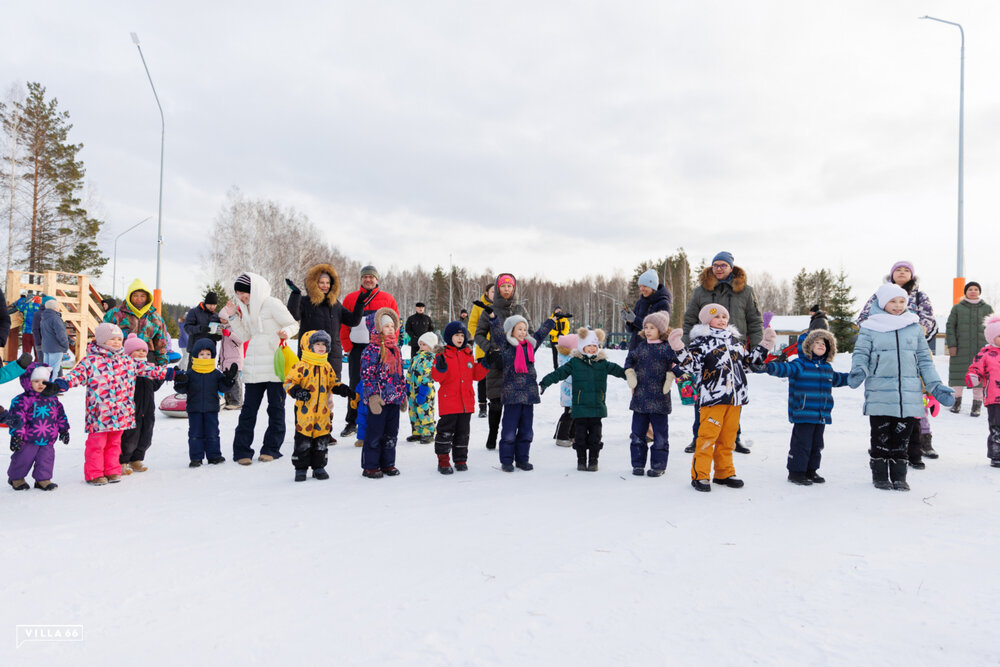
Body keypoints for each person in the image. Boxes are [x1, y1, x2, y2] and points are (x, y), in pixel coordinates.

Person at [848, 284, 954, 491]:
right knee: (880, 437)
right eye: (893, 301)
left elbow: (924, 360)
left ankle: (899, 477)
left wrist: (935, 385)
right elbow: (861, 353)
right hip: (880, 391)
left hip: (909, 393)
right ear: (882, 302)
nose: (898, 306)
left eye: (901, 301)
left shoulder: (913, 327)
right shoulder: (871, 326)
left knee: (901, 439)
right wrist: (859, 369)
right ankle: (880, 475)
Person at [55, 323, 181, 485]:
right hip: (100, 412)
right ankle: (94, 473)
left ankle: (112, 470)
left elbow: (149, 369)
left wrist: (171, 373)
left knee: (115, 444)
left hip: (121, 412)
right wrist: (61, 383)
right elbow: (76, 375)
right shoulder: (92, 361)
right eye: (111, 339)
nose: (116, 342)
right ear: (101, 340)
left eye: (118, 339)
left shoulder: (127, 361)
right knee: (97, 444)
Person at [669, 304, 775, 492]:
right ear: (706, 319)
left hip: (735, 399)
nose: (722, 319)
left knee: (728, 439)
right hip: (713, 398)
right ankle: (700, 475)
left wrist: (765, 345)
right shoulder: (701, 342)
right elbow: (690, 366)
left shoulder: (735, 342)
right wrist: (678, 347)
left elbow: (749, 364)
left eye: (724, 316)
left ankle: (724, 472)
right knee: (708, 437)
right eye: (716, 316)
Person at [857, 261, 939, 469]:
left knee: (916, 398)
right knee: (887, 400)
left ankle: (920, 442)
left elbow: (929, 319)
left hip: (911, 349)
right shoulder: (879, 295)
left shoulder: (919, 296)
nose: (902, 273)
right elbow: (864, 319)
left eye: (906, 270)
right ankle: (884, 444)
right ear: (892, 274)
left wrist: (914, 329)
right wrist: (880, 328)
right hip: (885, 354)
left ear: (912, 275)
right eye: (898, 270)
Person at [682, 252, 763, 455]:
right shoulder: (701, 291)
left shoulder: (745, 291)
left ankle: (733, 438)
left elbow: (755, 322)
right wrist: (685, 348)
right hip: (707, 351)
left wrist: (755, 351)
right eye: (715, 265)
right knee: (705, 394)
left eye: (723, 265)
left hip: (735, 351)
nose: (719, 268)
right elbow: (690, 319)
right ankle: (698, 436)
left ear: (731, 267)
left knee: (734, 393)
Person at [226, 273, 299, 465]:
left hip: (275, 366)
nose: (241, 297)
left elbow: (293, 324)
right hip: (254, 367)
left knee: (276, 409)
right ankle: (242, 451)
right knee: (249, 410)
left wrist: (287, 332)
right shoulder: (247, 308)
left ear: (254, 289)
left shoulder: (272, 303)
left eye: (244, 292)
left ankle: (271, 449)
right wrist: (233, 316)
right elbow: (244, 335)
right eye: (239, 294)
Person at [764, 329, 850, 485]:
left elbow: (837, 379)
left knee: (817, 444)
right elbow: (785, 369)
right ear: (807, 346)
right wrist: (769, 367)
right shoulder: (800, 365)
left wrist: (852, 378)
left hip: (821, 414)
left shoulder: (827, 368)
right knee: (801, 444)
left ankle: (811, 470)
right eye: (816, 342)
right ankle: (796, 472)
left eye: (824, 343)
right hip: (803, 412)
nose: (820, 345)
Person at [540, 327, 627, 472]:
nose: (592, 348)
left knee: (595, 437)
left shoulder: (603, 363)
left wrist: (632, 376)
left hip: (597, 406)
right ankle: (581, 461)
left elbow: (620, 372)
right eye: (589, 345)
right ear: (582, 347)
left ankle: (593, 461)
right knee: (580, 437)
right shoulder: (575, 363)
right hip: (580, 408)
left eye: (595, 345)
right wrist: (544, 383)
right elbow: (559, 373)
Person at [485, 305, 556, 472]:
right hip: (512, 396)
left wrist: (552, 320)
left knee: (526, 431)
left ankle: (523, 460)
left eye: (524, 329)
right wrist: (493, 317)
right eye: (519, 329)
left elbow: (540, 333)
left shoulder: (530, 346)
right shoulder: (507, 346)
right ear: (511, 331)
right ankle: (507, 461)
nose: (523, 332)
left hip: (529, 396)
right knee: (509, 431)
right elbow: (497, 333)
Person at [283, 330, 358, 482]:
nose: (321, 347)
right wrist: (297, 392)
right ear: (308, 346)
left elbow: (332, 382)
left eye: (324, 344)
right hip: (305, 411)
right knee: (303, 440)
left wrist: (342, 388)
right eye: (317, 344)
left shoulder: (326, 366)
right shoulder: (301, 366)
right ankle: (301, 468)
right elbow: (288, 383)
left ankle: (319, 466)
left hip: (323, 412)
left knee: (321, 440)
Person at [339, 265, 398, 437]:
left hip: (380, 348)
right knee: (355, 385)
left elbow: (395, 322)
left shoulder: (387, 298)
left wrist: (389, 344)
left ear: (377, 279)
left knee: (380, 383)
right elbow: (344, 325)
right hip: (357, 349)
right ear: (361, 279)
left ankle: (379, 418)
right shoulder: (351, 298)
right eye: (365, 277)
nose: (368, 279)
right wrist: (348, 347)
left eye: (372, 277)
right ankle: (352, 421)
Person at [474, 274, 531, 450]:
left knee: (514, 404)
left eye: (510, 287)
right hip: (497, 362)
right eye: (503, 286)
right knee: (496, 402)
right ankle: (493, 434)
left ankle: (509, 437)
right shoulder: (489, 310)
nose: (507, 289)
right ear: (498, 289)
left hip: (517, 363)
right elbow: (479, 334)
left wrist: (525, 348)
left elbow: (530, 331)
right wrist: (491, 349)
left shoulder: (520, 309)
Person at [623, 311, 680, 477]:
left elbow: (681, 363)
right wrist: (629, 372)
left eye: (652, 328)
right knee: (637, 435)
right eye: (646, 327)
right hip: (640, 400)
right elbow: (629, 360)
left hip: (659, 401)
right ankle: (638, 464)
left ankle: (658, 465)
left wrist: (672, 374)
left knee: (660, 436)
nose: (648, 330)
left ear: (661, 330)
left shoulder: (667, 349)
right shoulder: (641, 347)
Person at [286, 263, 364, 383]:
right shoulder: (306, 302)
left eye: (328, 283)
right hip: (310, 358)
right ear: (314, 283)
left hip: (332, 357)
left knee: (328, 398)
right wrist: (296, 295)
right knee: (309, 395)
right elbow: (293, 316)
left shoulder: (335, 305)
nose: (325, 286)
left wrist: (359, 303)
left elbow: (353, 321)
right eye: (321, 282)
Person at [431, 321, 489, 474]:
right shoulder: (442, 355)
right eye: (456, 335)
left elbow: (475, 375)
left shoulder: (468, 355)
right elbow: (436, 377)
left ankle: (460, 459)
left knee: (463, 433)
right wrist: (440, 368)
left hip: (466, 403)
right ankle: (443, 461)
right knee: (445, 433)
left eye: (462, 335)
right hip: (449, 402)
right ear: (449, 337)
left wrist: (485, 365)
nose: (460, 338)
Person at [174, 337, 237, 468]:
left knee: (212, 433)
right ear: (196, 355)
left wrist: (228, 380)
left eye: (208, 354)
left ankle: (214, 456)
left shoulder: (215, 373)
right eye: (202, 354)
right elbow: (182, 389)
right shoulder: (190, 373)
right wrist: (179, 380)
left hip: (211, 409)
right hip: (194, 409)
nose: (205, 357)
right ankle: (196, 458)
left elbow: (223, 388)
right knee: (195, 434)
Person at [6, 363, 68, 491]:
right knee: (23, 459)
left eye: (44, 381)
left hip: (48, 438)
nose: (40, 384)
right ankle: (16, 478)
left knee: (46, 460)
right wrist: (17, 435)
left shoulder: (53, 400)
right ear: (27, 382)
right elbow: (17, 419)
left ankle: (43, 480)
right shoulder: (22, 400)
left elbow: (60, 415)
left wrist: (64, 430)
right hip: (27, 439)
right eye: (36, 381)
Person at [360, 308, 407, 478]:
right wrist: (372, 396)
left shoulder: (396, 350)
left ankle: (388, 463)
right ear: (377, 327)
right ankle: (370, 465)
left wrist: (402, 395)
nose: (389, 329)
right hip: (378, 400)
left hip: (394, 399)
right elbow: (367, 375)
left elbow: (399, 374)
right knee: (375, 433)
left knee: (391, 434)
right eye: (385, 325)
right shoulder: (371, 350)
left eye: (392, 326)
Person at [119, 334, 165, 474]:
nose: (141, 353)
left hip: (148, 408)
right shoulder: (126, 368)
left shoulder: (150, 367)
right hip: (132, 408)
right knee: (130, 435)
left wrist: (160, 377)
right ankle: (123, 461)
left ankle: (137, 459)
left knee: (146, 433)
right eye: (137, 350)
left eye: (144, 350)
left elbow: (154, 386)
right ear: (128, 352)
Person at [946, 282, 993, 417]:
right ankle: (956, 402)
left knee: (979, 376)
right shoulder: (957, 308)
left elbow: (993, 328)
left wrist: (991, 347)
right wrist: (952, 345)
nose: (973, 291)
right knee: (958, 376)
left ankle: (976, 405)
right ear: (965, 292)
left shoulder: (987, 308)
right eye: (970, 289)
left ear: (979, 292)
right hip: (961, 349)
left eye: (976, 289)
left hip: (981, 350)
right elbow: (950, 327)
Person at [104, 279, 170, 366]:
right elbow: (104, 336)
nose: (139, 299)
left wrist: (162, 365)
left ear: (147, 297)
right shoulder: (115, 313)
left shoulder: (155, 318)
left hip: (147, 358)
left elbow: (161, 344)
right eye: (135, 295)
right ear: (129, 296)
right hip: (121, 358)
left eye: (142, 296)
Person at [965, 315, 1000, 468]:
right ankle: (996, 454)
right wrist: (973, 377)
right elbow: (976, 369)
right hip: (994, 398)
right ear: (992, 337)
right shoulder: (985, 354)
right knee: (997, 426)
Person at [623, 269, 671, 351]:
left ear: (653, 287)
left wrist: (634, 320)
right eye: (640, 286)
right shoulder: (640, 302)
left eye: (644, 286)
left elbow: (657, 329)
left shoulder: (663, 304)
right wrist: (628, 321)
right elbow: (631, 330)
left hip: (651, 351)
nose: (641, 289)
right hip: (635, 349)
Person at [468, 284, 495, 419]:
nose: (495, 293)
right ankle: (482, 406)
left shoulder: (500, 306)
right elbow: (472, 324)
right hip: (482, 348)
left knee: (496, 377)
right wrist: (481, 339)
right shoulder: (479, 305)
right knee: (482, 378)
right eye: (492, 291)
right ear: (486, 292)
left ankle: (495, 404)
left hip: (498, 347)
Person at [406, 332, 438, 443]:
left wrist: (423, 392)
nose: (421, 347)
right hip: (413, 390)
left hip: (425, 391)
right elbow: (410, 372)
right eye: (420, 344)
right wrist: (407, 385)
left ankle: (428, 433)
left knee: (425, 411)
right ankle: (417, 432)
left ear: (431, 346)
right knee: (413, 411)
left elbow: (428, 376)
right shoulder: (416, 358)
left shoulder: (430, 359)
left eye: (424, 344)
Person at [552, 333, 578, 447]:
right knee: (568, 414)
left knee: (575, 414)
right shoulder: (566, 359)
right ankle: (561, 436)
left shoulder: (571, 358)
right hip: (569, 392)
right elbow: (568, 376)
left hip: (575, 391)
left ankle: (572, 435)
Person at [36, 298, 69, 381]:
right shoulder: (55, 318)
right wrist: (65, 345)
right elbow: (61, 334)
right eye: (57, 306)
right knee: (54, 370)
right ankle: (50, 388)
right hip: (56, 348)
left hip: (46, 347)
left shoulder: (44, 318)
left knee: (47, 369)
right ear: (55, 308)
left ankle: (45, 386)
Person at [183, 291, 223, 358]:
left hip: (209, 351)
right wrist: (200, 328)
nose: (212, 307)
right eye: (210, 304)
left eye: (214, 305)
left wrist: (217, 336)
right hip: (195, 350)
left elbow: (220, 334)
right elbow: (187, 328)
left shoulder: (216, 316)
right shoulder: (194, 312)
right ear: (206, 303)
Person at [218, 319, 244, 410]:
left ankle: (237, 401)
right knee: (226, 380)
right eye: (221, 319)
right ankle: (228, 400)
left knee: (235, 381)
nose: (222, 320)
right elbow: (223, 347)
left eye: (224, 319)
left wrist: (229, 334)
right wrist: (220, 359)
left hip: (235, 359)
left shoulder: (236, 327)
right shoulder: (223, 328)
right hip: (225, 360)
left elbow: (241, 340)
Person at [545, 306, 572, 370]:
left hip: (562, 340)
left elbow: (567, 328)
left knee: (563, 355)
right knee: (555, 355)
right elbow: (548, 329)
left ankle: (564, 368)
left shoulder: (564, 319)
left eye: (559, 310)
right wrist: (557, 333)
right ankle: (556, 368)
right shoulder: (551, 319)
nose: (558, 311)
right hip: (554, 340)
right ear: (554, 311)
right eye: (557, 310)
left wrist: (562, 334)